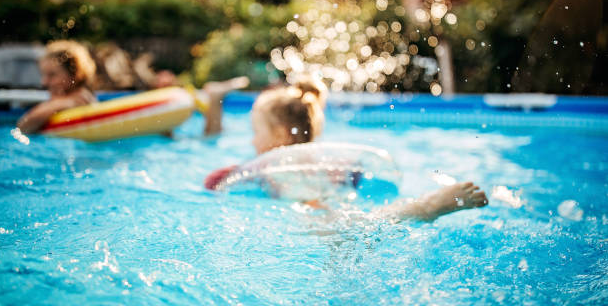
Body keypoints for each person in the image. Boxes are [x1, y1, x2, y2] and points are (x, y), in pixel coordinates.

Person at [204, 79, 488, 221]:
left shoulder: (279, 170)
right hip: (341, 191)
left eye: (256, 133)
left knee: (349, 230)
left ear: (279, 135)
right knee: (358, 224)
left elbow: (217, 184)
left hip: (312, 202)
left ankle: (425, 207)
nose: (253, 142)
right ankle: (421, 207)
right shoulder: (320, 159)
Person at [17, 40, 97, 134]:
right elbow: (22, 126)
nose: (44, 82)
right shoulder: (62, 100)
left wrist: (62, 104)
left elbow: (24, 126)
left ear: (74, 74)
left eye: (52, 75)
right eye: (43, 75)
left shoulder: (82, 98)